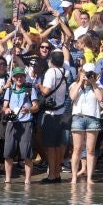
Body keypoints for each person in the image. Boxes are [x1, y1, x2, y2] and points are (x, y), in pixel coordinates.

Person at [68, 62, 103, 185]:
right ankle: (74, 177)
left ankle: (89, 178)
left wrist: (93, 83)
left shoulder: (99, 86)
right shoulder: (74, 84)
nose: (88, 75)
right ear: (81, 72)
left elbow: (100, 98)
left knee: (90, 150)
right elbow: (72, 96)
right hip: (78, 117)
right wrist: (80, 81)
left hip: (93, 118)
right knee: (77, 149)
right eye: (86, 72)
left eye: (91, 73)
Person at [37, 50, 69, 183]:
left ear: (51, 60)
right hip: (61, 112)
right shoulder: (65, 71)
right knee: (57, 146)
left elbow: (46, 91)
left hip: (51, 114)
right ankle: (57, 174)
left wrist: (38, 84)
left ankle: (52, 175)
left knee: (50, 147)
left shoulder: (51, 72)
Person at [3, 66, 38, 185]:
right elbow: (4, 106)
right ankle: (7, 178)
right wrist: (7, 110)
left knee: (26, 153)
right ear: (13, 78)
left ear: (24, 77)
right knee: (8, 152)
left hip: (26, 123)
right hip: (12, 123)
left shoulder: (30, 89)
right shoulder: (9, 90)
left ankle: (27, 179)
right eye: (16, 76)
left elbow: (36, 106)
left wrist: (29, 110)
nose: (19, 78)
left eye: (21, 76)